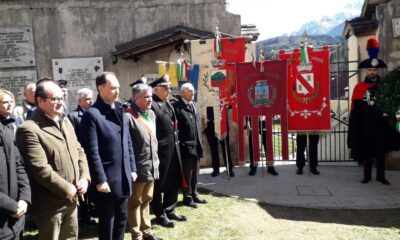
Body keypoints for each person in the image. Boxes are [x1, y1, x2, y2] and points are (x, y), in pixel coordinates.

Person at [15, 78, 90, 239]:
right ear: (40, 101)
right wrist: (66, 188)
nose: (61, 103)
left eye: (62, 98)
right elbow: (39, 168)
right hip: (50, 204)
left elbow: (79, 151)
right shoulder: (29, 129)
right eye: (55, 99)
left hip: (72, 198)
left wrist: (84, 178)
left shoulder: (64, 120)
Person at [80, 72, 137, 240]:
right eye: (113, 88)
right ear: (101, 88)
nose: (117, 91)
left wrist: (132, 167)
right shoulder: (92, 115)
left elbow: (127, 142)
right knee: (108, 223)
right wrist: (99, 179)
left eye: (118, 87)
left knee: (122, 219)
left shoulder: (120, 108)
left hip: (124, 175)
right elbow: (91, 151)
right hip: (107, 179)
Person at [348, 37, 391, 185]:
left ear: (377, 70)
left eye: (374, 70)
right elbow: (354, 108)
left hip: (380, 125)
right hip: (365, 125)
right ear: (366, 71)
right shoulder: (359, 88)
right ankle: (366, 176)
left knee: (380, 151)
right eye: (370, 70)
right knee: (366, 152)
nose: (372, 72)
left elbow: (389, 105)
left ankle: (381, 176)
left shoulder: (384, 86)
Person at [149, 75, 187, 228]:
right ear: (156, 90)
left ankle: (170, 209)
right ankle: (159, 213)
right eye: (166, 88)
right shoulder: (152, 105)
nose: (169, 91)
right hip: (161, 151)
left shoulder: (168, 104)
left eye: (169, 88)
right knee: (159, 184)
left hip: (173, 149)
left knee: (173, 181)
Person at [125, 80, 161, 240]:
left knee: (147, 200)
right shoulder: (128, 117)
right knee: (135, 202)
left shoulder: (151, 114)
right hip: (138, 167)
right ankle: (136, 234)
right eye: (147, 97)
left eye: (151, 97)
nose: (150, 100)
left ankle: (147, 232)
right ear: (136, 99)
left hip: (152, 164)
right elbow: (127, 145)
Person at [0, 89, 31, 240]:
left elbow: (19, 165)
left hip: (17, 218)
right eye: (5, 101)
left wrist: (24, 199)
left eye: (12, 101)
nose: (10, 104)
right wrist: (11, 206)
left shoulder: (8, 129)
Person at [174, 83, 207, 208]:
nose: (193, 93)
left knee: (196, 173)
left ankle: (195, 193)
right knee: (187, 174)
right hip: (186, 147)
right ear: (182, 93)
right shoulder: (177, 107)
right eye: (190, 91)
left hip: (196, 146)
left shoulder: (193, 105)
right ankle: (187, 197)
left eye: (193, 91)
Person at [68, 87, 96, 225]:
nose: (91, 101)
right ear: (79, 101)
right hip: (81, 156)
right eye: (87, 99)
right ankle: (85, 214)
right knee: (84, 187)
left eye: (92, 98)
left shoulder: (95, 113)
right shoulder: (73, 117)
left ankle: (93, 208)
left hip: (94, 155)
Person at [204, 106, 235, 178]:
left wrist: (230, 127)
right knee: (213, 148)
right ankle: (215, 169)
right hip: (210, 125)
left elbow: (229, 109)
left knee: (225, 148)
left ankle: (229, 168)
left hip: (222, 124)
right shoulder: (205, 95)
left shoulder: (223, 95)